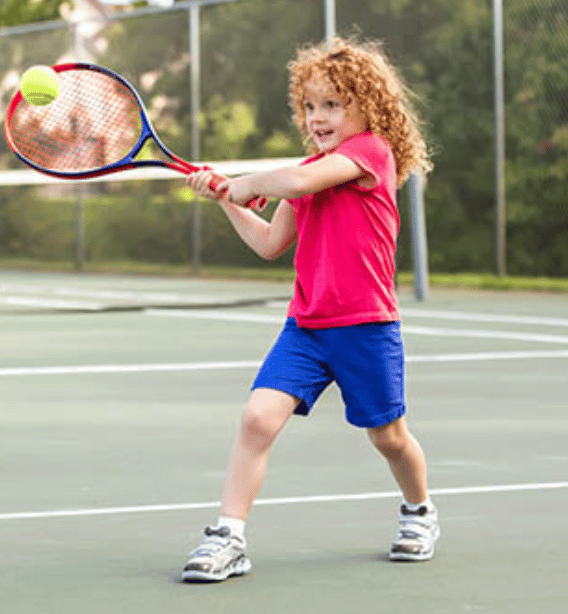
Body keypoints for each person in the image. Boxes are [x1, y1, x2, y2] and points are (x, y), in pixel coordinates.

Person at [181, 36, 437, 583]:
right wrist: (229, 200)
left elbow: (294, 180)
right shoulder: (309, 171)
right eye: (309, 106)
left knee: (389, 437)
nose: (317, 117)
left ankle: (419, 512)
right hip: (306, 327)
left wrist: (245, 181)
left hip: (365, 327)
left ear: (369, 108)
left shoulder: (370, 153)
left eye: (332, 105)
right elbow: (272, 243)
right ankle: (228, 536)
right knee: (256, 420)